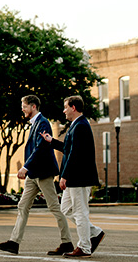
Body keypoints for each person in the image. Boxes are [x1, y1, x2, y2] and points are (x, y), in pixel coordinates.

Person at [0, 95, 73, 256]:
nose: (22, 108)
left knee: (54, 207)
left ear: (33, 106)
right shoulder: (35, 123)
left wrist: (25, 167)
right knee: (23, 206)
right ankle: (14, 243)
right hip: (33, 175)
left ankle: (67, 242)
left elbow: (41, 147)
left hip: (43, 173)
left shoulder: (43, 123)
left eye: (24, 106)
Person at [41, 95, 106, 258]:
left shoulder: (81, 126)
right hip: (75, 178)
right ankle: (95, 233)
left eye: (65, 107)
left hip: (79, 178)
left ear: (73, 108)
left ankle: (84, 247)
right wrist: (52, 141)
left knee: (80, 212)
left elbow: (75, 154)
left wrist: (65, 176)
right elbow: (69, 149)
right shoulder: (76, 125)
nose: (64, 111)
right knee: (66, 209)